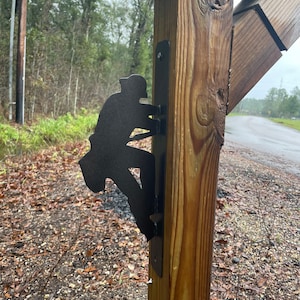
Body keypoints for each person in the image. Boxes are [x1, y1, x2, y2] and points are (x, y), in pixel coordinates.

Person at [79, 75, 158, 240]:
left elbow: (145, 112)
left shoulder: (117, 101)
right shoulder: (122, 105)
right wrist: (159, 120)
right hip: (110, 156)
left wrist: (157, 114)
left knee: (135, 190)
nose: (137, 97)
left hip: (111, 153)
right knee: (147, 164)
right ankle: (150, 215)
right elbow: (145, 116)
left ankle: (149, 225)